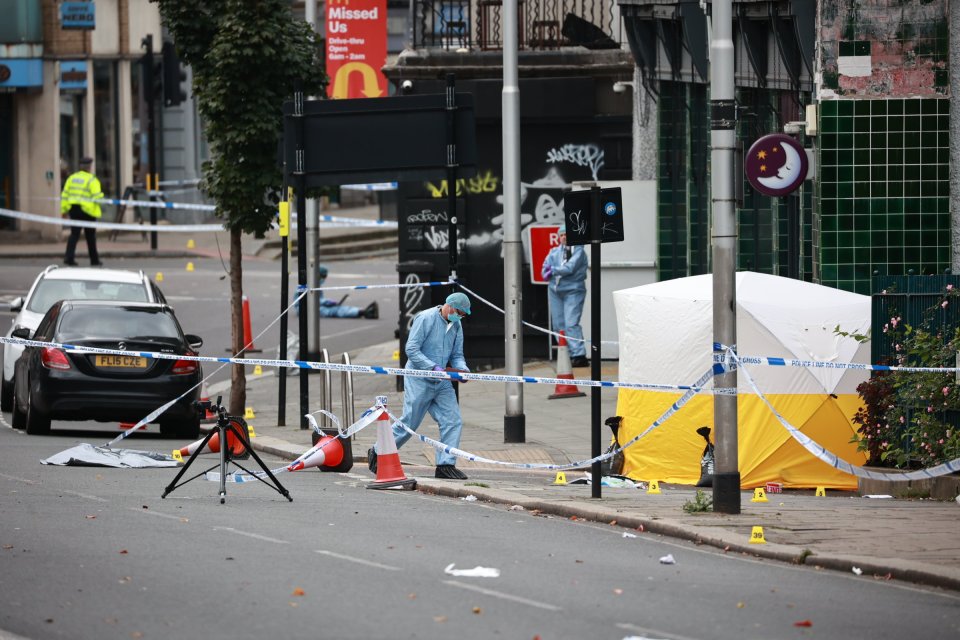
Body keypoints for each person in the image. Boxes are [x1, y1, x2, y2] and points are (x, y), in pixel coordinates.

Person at [368, 291, 472, 480]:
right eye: (459, 312)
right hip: (419, 378)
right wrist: (432, 367)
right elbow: (411, 349)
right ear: (449, 306)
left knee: (453, 420)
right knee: (409, 422)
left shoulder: (457, 325)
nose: (460, 317)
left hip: (441, 382)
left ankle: (445, 465)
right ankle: (377, 451)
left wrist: (462, 370)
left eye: (463, 315)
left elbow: (457, 354)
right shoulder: (425, 318)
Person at [541, 225, 589, 367]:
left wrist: (553, 270)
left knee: (571, 323)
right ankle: (565, 352)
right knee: (558, 324)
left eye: (567, 235)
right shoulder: (554, 252)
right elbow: (545, 265)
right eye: (561, 235)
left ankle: (579, 355)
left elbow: (570, 267)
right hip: (555, 290)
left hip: (573, 290)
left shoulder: (579, 251)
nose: (564, 237)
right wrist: (546, 271)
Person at [61, 157, 104, 267]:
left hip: (74, 210)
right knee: (90, 236)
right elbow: (97, 196)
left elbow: (65, 195)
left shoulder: (72, 178)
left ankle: (69, 258)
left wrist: (64, 210)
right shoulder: (91, 179)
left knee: (74, 234)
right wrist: (103, 199)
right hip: (88, 211)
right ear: (89, 167)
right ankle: (94, 260)